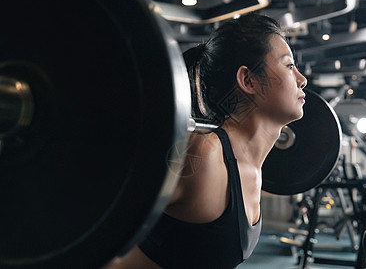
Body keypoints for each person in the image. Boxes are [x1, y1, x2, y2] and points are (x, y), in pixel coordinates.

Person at [105, 13, 307, 269]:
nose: (302, 79)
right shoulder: (204, 155)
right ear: (248, 80)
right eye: (289, 66)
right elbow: (98, 219)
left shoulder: (251, 167)